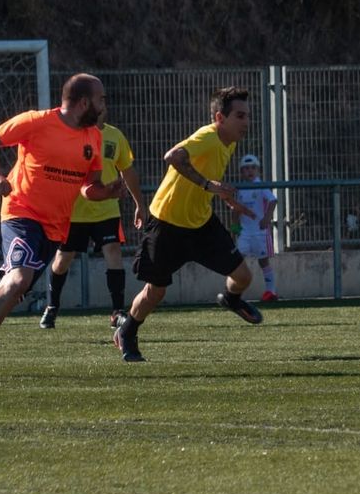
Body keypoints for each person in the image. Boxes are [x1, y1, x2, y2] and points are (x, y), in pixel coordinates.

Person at [0, 74, 121, 379]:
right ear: (84, 103)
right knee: (16, 282)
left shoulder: (93, 137)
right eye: (101, 99)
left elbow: (88, 188)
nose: (104, 104)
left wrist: (107, 191)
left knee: (7, 295)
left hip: (55, 228)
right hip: (21, 213)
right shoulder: (37, 122)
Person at [112, 87, 263, 364]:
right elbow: (172, 157)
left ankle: (230, 299)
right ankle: (128, 331)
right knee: (154, 292)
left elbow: (210, 177)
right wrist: (208, 185)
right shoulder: (207, 136)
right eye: (240, 116)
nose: (246, 122)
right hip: (167, 223)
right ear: (220, 117)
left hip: (201, 224)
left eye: (248, 116)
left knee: (243, 277)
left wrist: (225, 197)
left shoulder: (229, 141)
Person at [38, 117, 146, 330]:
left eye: (103, 101)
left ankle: (117, 312)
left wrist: (139, 204)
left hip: (106, 210)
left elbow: (127, 170)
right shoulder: (71, 135)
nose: (100, 106)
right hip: (73, 212)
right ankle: (52, 306)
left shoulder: (115, 135)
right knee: (63, 259)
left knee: (113, 252)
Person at [231, 153, 279, 302]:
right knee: (236, 261)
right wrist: (235, 227)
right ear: (241, 172)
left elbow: (272, 200)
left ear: (258, 170)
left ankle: (271, 292)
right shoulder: (240, 189)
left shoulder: (260, 186)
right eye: (246, 169)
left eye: (253, 168)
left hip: (260, 232)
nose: (249, 171)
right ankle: (233, 293)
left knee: (263, 261)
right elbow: (235, 208)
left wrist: (267, 218)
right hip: (245, 233)